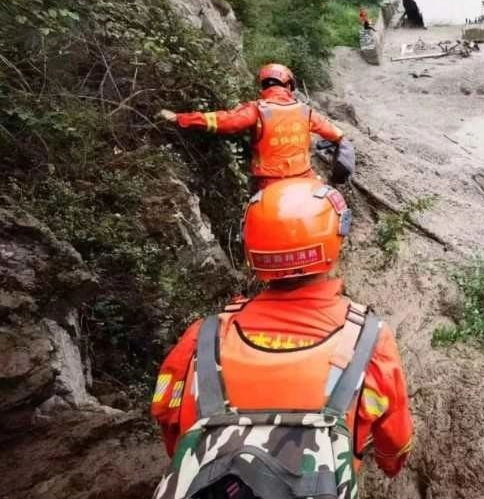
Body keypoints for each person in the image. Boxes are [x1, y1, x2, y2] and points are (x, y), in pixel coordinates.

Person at [150, 177, 413, 499]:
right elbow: (395, 439)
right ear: (335, 241)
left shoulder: (202, 337)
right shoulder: (369, 340)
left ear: (252, 250)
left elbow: (167, 415)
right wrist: (389, 464)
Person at [158, 63, 354, 190]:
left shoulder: (257, 110)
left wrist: (182, 118)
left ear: (264, 87)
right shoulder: (305, 111)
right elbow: (337, 135)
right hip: (305, 180)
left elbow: (225, 121)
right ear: (288, 86)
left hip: (269, 184)